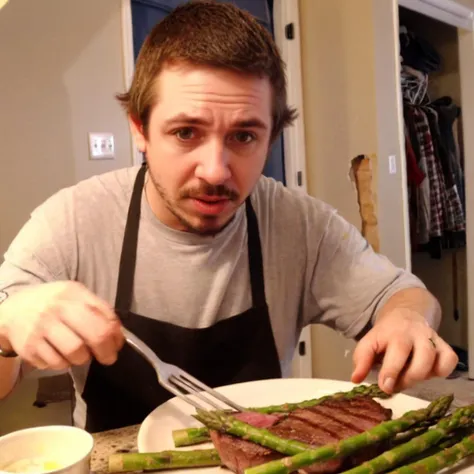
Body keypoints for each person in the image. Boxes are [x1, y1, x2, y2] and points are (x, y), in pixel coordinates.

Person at [0, 0, 457, 433]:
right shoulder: (73, 221)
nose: (216, 171)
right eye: (185, 132)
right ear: (139, 128)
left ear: (271, 137)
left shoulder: (300, 224)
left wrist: (409, 321)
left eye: (243, 136)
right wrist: (5, 330)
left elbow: (405, 295)